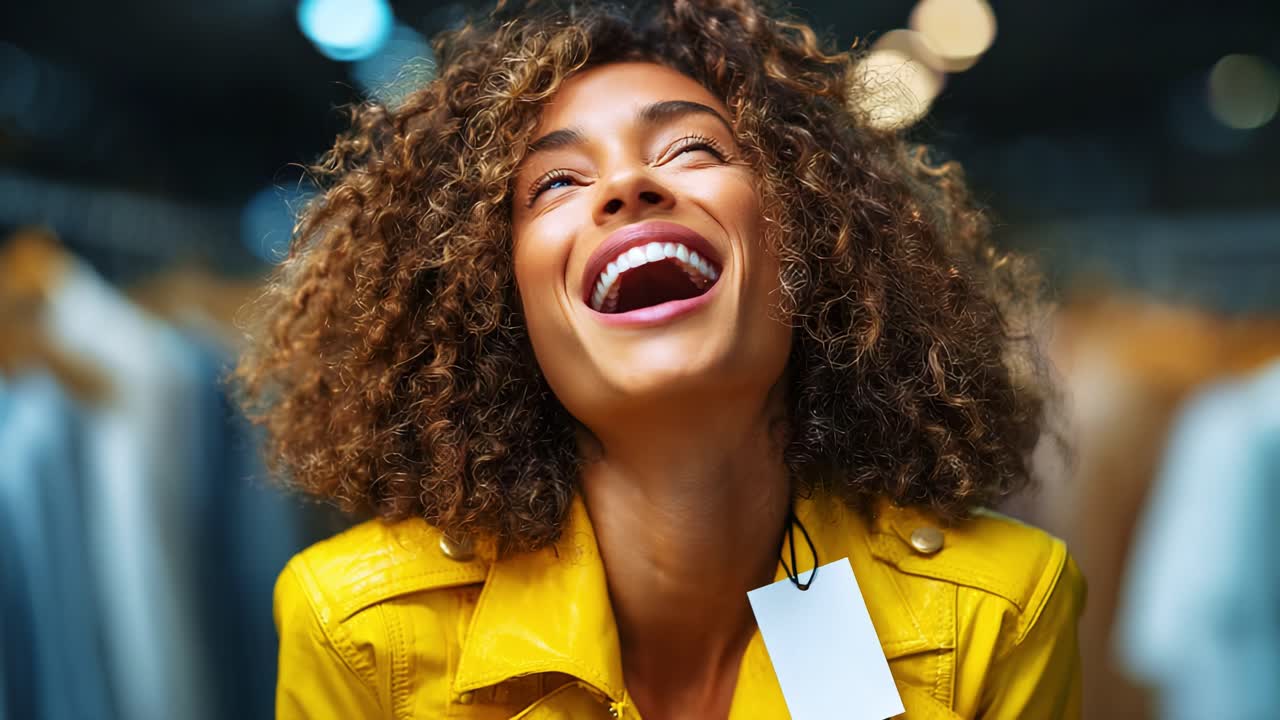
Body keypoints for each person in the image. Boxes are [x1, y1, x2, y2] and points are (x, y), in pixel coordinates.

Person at [234, 0, 1084, 717]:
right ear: (500, 305)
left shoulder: (1001, 612)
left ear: (810, 242)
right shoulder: (356, 630)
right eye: (556, 184)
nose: (627, 187)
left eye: (691, 151)